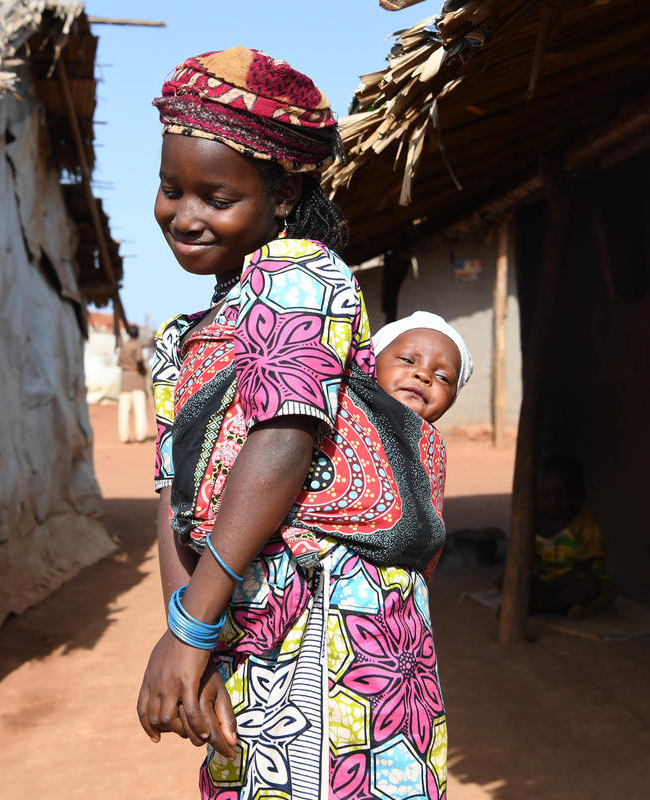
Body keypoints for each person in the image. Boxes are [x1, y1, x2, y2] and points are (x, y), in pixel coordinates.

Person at [137, 47, 449, 800]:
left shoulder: (298, 275)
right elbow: (175, 503)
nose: (186, 214)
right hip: (240, 616)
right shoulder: (181, 339)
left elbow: (283, 440)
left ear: (281, 197)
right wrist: (194, 631)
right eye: (171, 188)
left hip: (326, 613)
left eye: (216, 196)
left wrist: (192, 627)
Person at [530, 453, 614, 620]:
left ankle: (538, 607)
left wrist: (549, 587)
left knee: (588, 588)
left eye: (562, 496)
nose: (553, 502)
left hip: (573, 580)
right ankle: (563, 607)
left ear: (576, 495)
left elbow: (582, 568)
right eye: (544, 496)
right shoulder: (532, 522)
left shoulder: (584, 524)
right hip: (545, 581)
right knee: (515, 583)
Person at [372, 311, 474, 425]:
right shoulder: (348, 422)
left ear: (451, 401)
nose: (424, 375)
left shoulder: (432, 442)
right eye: (407, 360)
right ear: (372, 362)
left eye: (442, 377)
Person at [117, 323, 150, 443]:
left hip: (125, 381)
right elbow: (139, 361)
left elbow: (119, 363)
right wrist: (143, 370)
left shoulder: (123, 346)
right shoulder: (137, 346)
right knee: (140, 410)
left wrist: (129, 367)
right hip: (137, 381)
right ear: (137, 334)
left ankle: (124, 437)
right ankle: (141, 436)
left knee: (124, 411)